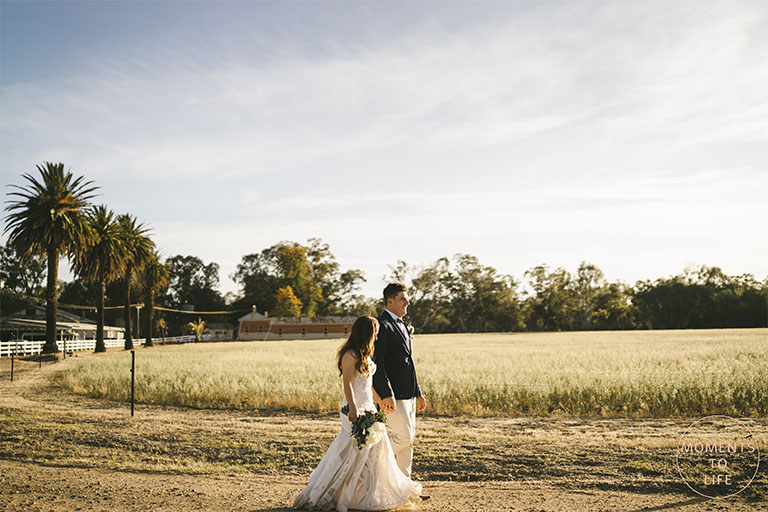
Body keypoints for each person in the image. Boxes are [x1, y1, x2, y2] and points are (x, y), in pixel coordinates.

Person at [293, 316, 422, 512]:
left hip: (369, 406)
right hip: (353, 408)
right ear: (368, 333)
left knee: (374, 451)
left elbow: (368, 386)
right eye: (375, 332)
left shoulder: (366, 355)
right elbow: (348, 384)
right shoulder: (350, 355)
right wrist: (353, 408)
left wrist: (381, 403)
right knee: (350, 451)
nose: (377, 337)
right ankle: (336, 492)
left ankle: (362, 493)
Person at [372, 283, 427, 482]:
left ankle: (405, 487)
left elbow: (408, 363)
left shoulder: (403, 325)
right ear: (390, 301)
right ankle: (372, 461)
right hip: (393, 395)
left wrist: (417, 392)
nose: (407, 302)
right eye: (403, 299)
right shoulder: (381, 325)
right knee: (404, 437)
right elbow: (378, 362)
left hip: (409, 394)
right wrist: (386, 394)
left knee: (409, 442)